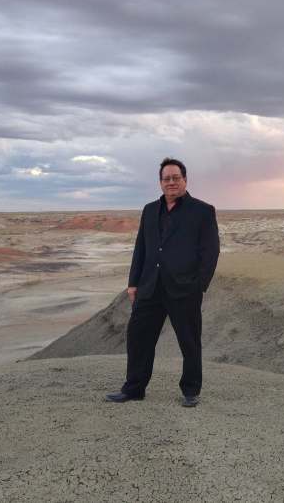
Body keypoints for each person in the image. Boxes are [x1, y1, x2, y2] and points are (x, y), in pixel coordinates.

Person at [105, 157, 220, 407]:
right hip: (150, 286)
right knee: (138, 338)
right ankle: (134, 388)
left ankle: (190, 390)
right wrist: (133, 282)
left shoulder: (202, 211)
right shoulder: (149, 210)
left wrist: (198, 285)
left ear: (185, 180)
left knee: (189, 341)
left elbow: (210, 252)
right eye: (166, 179)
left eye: (176, 178)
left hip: (183, 288)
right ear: (160, 183)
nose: (171, 182)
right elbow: (141, 248)